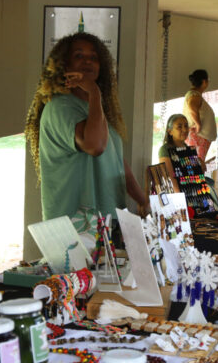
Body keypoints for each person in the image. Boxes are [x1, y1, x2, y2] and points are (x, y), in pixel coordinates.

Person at [26, 33, 149, 226]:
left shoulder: (95, 110)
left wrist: (143, 201)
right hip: (74, 226)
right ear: (64, 65)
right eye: (79, 56)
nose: (87, 62)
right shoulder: (60, 107)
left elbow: (118, 164)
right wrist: (93, 91)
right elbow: (95, 146)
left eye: (93, 57)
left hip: (106, 221)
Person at [184, 69, 217, 165]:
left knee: (197, 164)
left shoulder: (194, 94)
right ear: (204, 82)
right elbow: (192, 107)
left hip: (199, 136)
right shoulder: (194, 95)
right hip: (198, 136)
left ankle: (196, 179)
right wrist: (198, 124)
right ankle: (195, 180)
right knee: (196, 165)